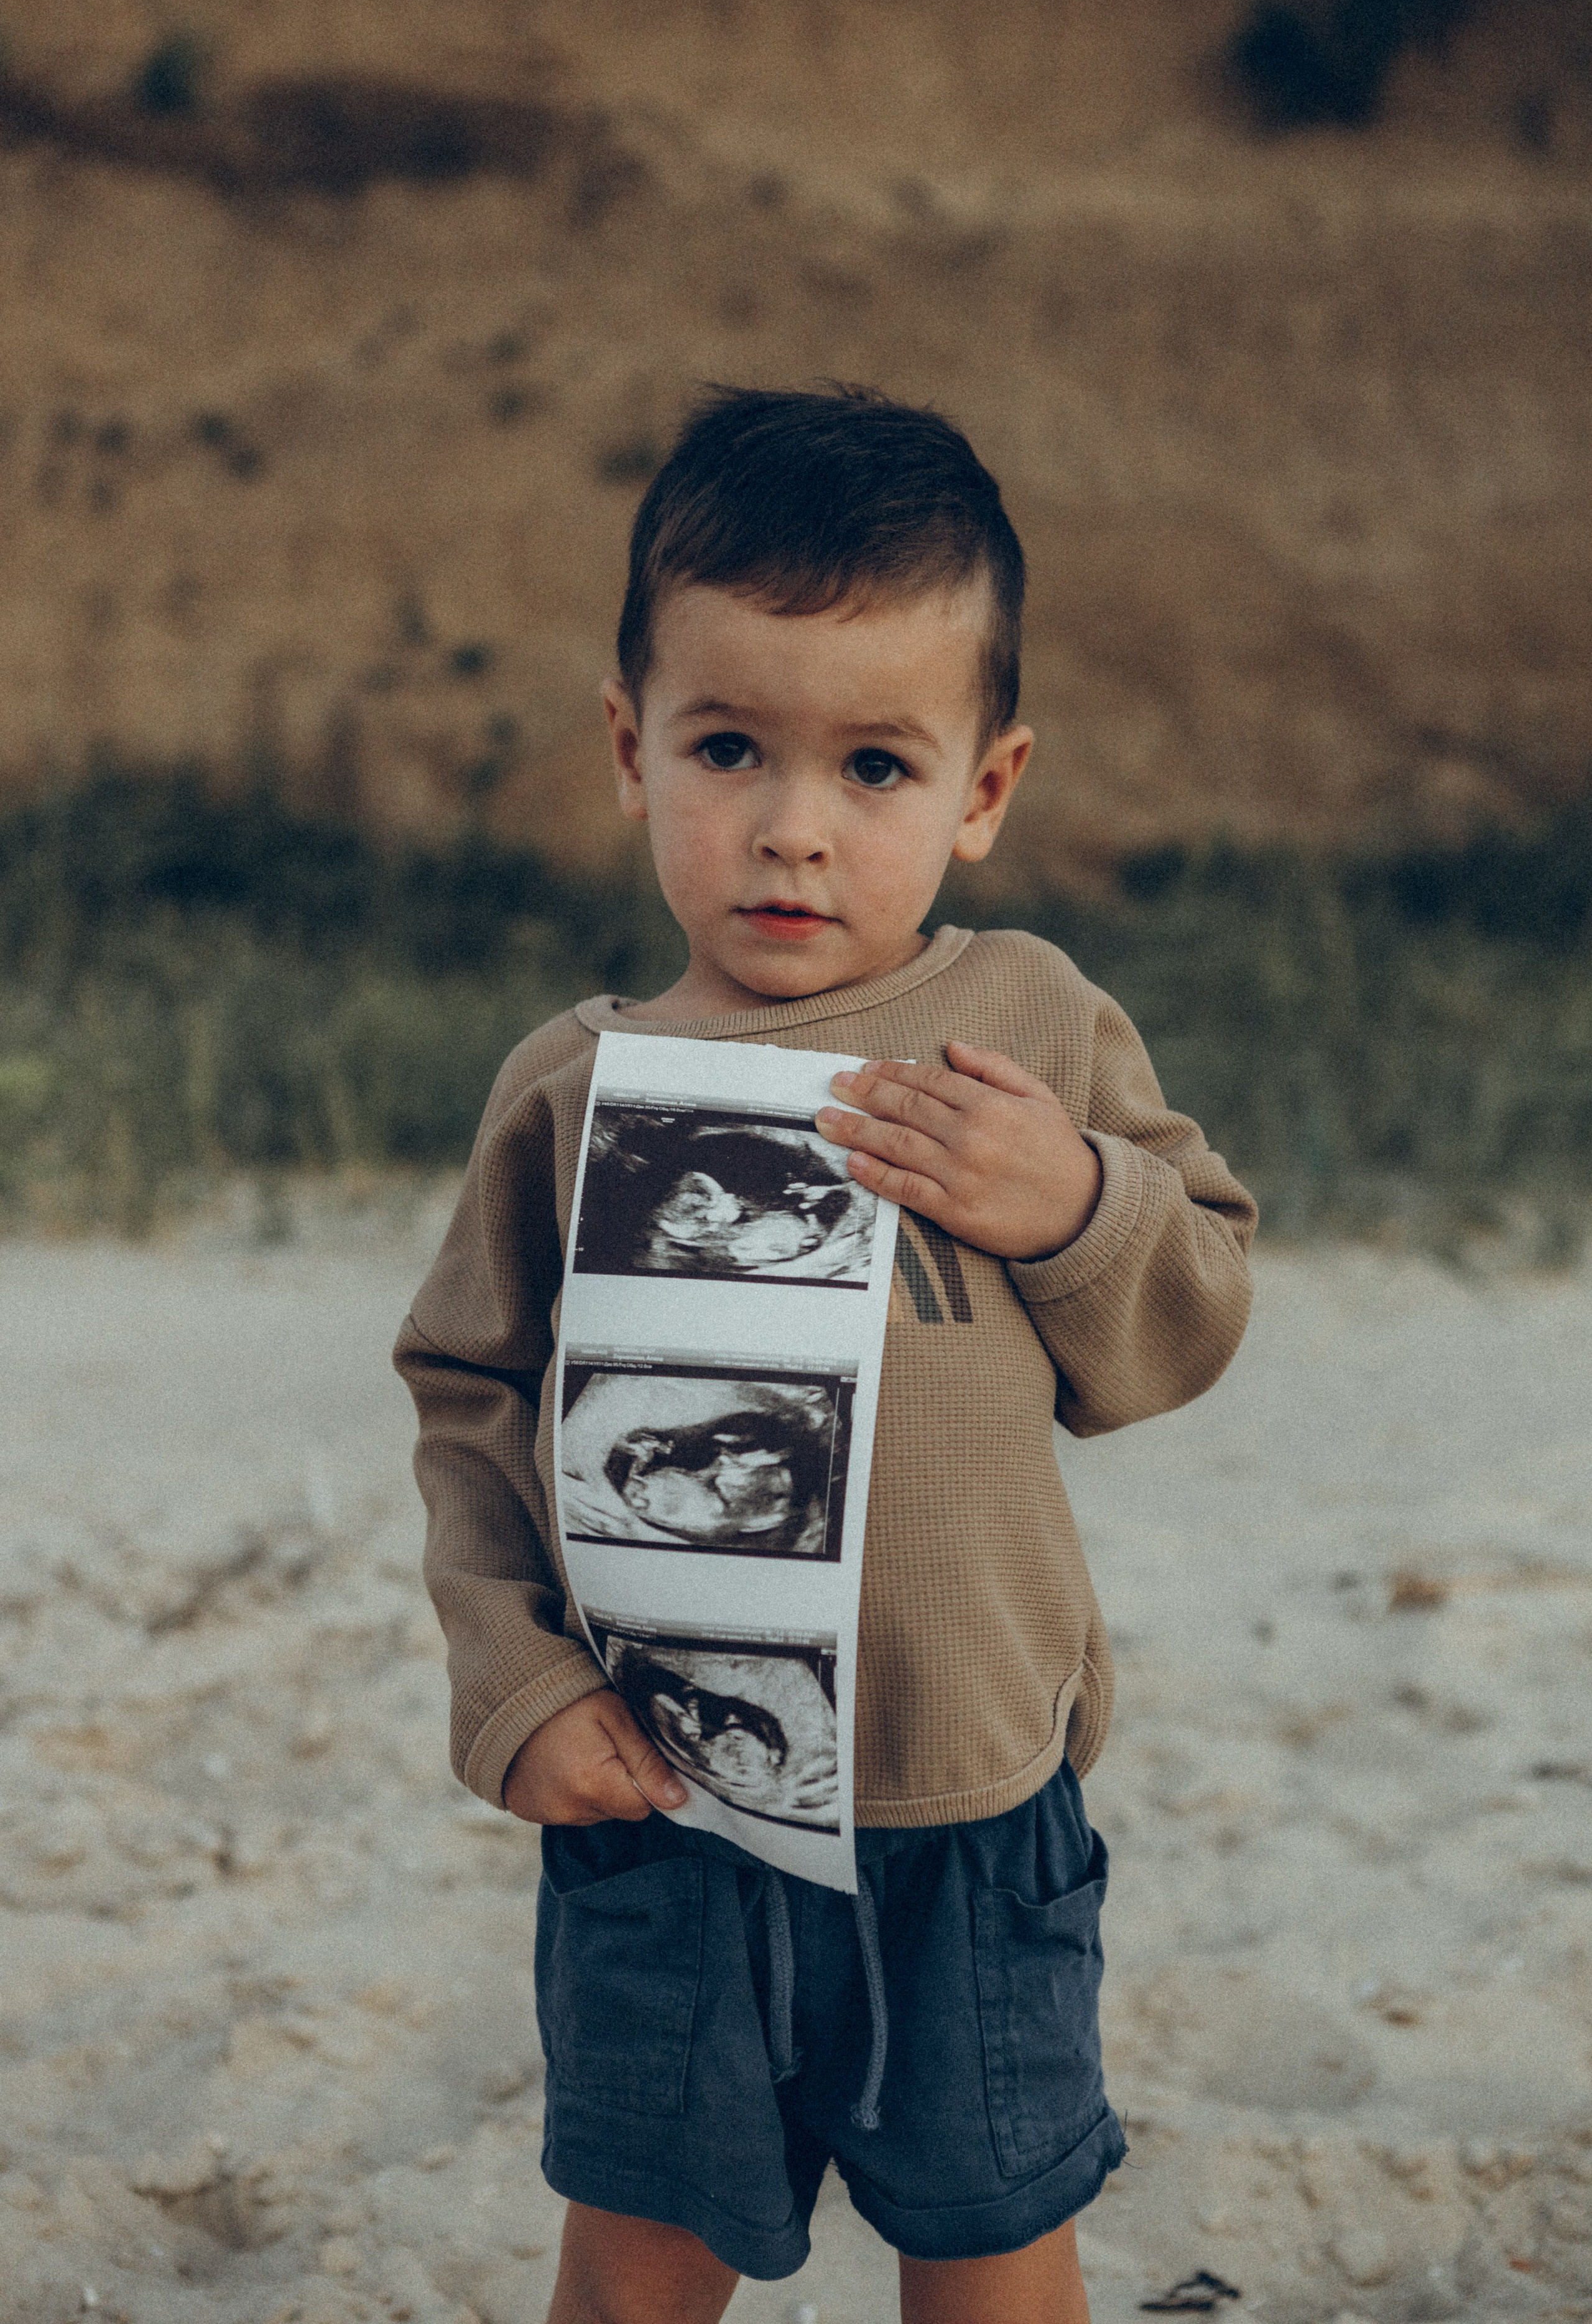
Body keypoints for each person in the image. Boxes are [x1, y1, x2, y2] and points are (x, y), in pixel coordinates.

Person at [394, 386, 1257, 2324]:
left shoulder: (1022, 1017)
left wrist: (1077, 1203)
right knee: (638, 2260)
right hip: (666, 1806)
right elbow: (471, 1405)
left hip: (973, 1797)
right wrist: (516, 1684)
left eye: (877, 765)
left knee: (990, 2243)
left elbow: (1188, 1317)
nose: (792, 828)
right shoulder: (573, 1086)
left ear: (987, 788)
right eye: (729, 748)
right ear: (632, 752)